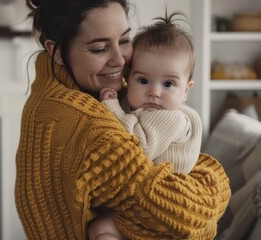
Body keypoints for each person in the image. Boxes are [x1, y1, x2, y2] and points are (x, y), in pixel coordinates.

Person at [15, 0, 231, 239]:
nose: (119, 60)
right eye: (99, 48)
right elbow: (189, 216)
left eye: (125, 40)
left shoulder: (111, 89)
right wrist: (215, 181)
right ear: (55, 52)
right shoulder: (79, 119)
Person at [89, 12, 203, 240]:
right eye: (143, 80)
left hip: (163, 203)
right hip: (146, 198)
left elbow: (138, 144)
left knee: (101, 229)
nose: (155, 91)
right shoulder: (139, 106)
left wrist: (111, 106)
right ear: (127, 79)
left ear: (186, 90)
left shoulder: (170, 117)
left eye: (168, 83)